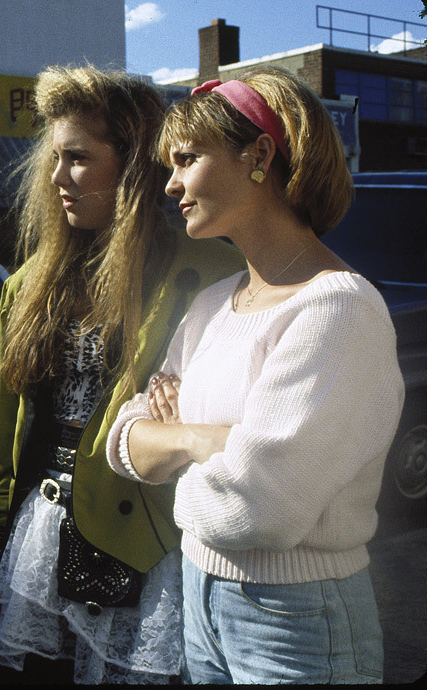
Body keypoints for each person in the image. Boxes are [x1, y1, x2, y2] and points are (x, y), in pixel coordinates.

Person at [106, 66, 403, 684]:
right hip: (198, 599)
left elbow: (259, 508)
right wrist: (205, 439)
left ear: (259, 155)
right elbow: (121, 442)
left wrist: (176, 443)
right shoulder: (212, 303)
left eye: (188, 158)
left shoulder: (337, 307)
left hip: (296, 621)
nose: (171, 184)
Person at [0, 65, 245, 684]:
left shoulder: (210, 270)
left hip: (151, 546)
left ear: (134, 164)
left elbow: (234, 418)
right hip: (39, 539)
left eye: (77, 158)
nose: (56, 177)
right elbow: (5, 442)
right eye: (54, 156)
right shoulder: (25, 283)